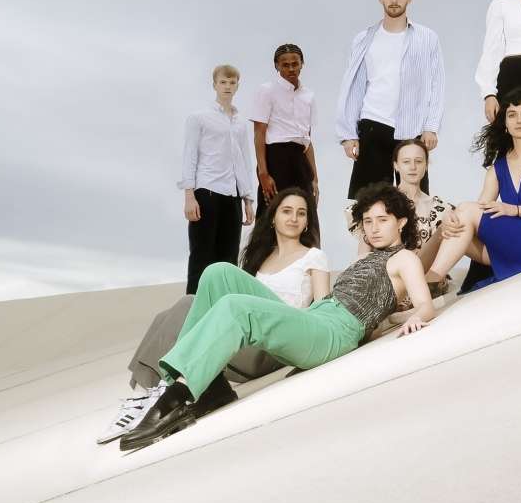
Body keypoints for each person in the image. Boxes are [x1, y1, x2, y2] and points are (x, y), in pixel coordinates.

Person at [118, 184, 433, 453]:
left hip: (335, 331)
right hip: (317, 317)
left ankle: (177, 397)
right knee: (219, 273)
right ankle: (210, 385)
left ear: (401, 222)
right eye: (367, 221)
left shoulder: (403, 258)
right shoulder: (365, 257)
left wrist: (408, 318)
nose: (374, 228)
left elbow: (425, 305)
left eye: (383, 220)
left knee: (236, 307)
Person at [98, 188, 330, 445]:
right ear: (273, 216)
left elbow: (322, 311)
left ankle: (167, 389)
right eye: (287, 211)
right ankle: (155, 391)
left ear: (308, 221)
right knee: (188, 303)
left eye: (301, 213)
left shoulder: (314, 257)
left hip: (279, 344)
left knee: (219, 272)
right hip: (245, 344)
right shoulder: (259, 260)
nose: (294, 218)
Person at [426, 88, 521, 291]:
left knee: (464, 211)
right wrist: (452, 216)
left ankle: (429, 283)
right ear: (505, 124)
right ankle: (429, 286)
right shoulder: (497, 168)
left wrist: (516, 210)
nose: (519, 120)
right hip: (512, 248)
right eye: (512, 115)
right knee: (456, 223)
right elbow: (479, 211)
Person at [336, 0, 446, 200]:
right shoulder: (364, 39)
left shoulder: (427, 38)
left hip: (412, 127)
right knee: (369, 200)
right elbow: (355, 87)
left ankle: (412, 237)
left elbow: (437, 84)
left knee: (415, 200)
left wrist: (431, 126)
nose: (394, 0)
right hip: (373, 124)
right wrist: (348, 134)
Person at [178, 64, 257, 293]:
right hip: (206, 192)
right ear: (214, 84)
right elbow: (189, 156)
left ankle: (224, 309)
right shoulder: (199, 118)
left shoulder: (241, 123)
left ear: (237, 86)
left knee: (228, 260)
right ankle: (192, 307)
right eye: (223, 82)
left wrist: (248, 199)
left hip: (232, 196)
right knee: (202, 255)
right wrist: (189, 196)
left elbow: (244, 161)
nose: (227, 87)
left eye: (232, 83)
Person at [346, 138, 459, 274]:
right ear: (396, 165)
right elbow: (364, 250)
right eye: (406, 162)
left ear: (426, 164)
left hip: (428, 278)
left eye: (418, 161)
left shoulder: (442, 208)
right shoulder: (378, 201)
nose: (413, 167)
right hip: (389, 277)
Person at [252, 43, 318, 204]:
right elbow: (259, 133)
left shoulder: (308, 96)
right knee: (272, 214)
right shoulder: (267, 90)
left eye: (295, 64)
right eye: (285, 65)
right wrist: (263, 173)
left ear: (302, 63)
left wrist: (315, 178)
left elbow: (308, 139)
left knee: (305, 216)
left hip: (301, 161)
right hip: (276, 158)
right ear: (277, 66)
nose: (291, 69)